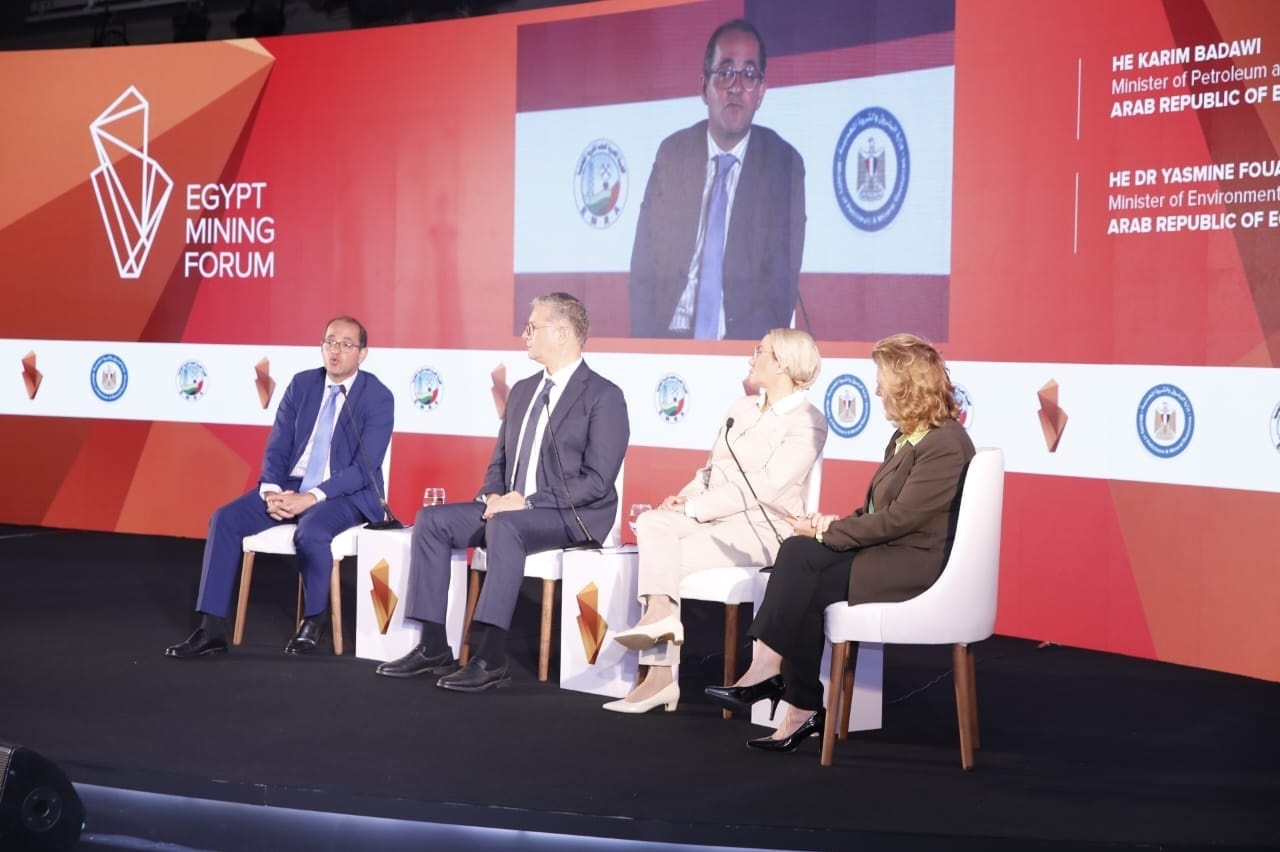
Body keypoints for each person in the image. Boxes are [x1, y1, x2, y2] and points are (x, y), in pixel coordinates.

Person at [705, 333, 976, 750]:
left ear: (907, 384)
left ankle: (778, 683)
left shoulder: (945, 444)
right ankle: (790, 698)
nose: (877, 390)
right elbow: (874, 513)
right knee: (799, 558)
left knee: (804, 564)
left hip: (916, 565)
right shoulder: (906, 438)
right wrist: (827, 523)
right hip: (890, 552)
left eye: (883, 380)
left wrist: (825, 533)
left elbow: (899, 521)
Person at [376, 292, 629, 692]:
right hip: (512, 509)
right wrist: (491, 495)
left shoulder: (603, 395)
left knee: (505, 527)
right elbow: (500, 461)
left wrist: (526, 502)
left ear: (563, 334)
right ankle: (433, 646)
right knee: (433, 521)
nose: (524, 335)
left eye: (533, 327)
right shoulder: (525, 390)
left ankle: (491, 656)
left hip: (570, 516)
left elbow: (597, 481)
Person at [604, 329, 827, 714]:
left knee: (669, 558)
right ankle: (659, 625)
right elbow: (710, 471)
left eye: (760, 351)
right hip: (712, 514)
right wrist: (683, 498)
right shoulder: (740, 408)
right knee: (655, 522)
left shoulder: (808, 421)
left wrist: (694, 508)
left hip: (761, 528)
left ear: (782, 364)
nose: (751, 357)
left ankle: (659, 677)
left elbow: (763, 488)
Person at [164, 315, 395, 658]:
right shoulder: (302, 384)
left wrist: (311, 497)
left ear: (362, 353)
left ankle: (314, 620)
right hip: (291, 484)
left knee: (311, 530)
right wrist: (271, 491)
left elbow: (364, 469)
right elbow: (278, 445)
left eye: (347, 345)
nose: (336, 350)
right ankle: (211, 629)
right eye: (330, 342)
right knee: (225, 519)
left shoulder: (377, 396)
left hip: (345, 494)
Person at [628, 18, 805, 341]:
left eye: (749, 75)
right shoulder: (673, 155)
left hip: (743, 348)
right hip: (667, 342)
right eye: (725, 72)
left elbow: (779, 291)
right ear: (704, 87)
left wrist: (737, 358)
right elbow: (643, 271)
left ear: (761, 93)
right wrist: (648, 349)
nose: (736, 86)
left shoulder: (783, 165)